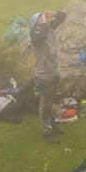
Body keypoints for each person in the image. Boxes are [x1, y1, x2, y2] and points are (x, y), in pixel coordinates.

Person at [28, 8, 66, 142]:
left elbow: (63, 16)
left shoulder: (48, 29)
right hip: (43, 76)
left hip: (54, 71)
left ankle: (53, 125)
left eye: (42, 17)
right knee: (45, 105)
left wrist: (53, 13)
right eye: (39, 18)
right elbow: (42, 37)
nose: (43, 19)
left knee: (52, 102)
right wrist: (44, 23)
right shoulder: (35, 36)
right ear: (35, 24)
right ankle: (47, 132)